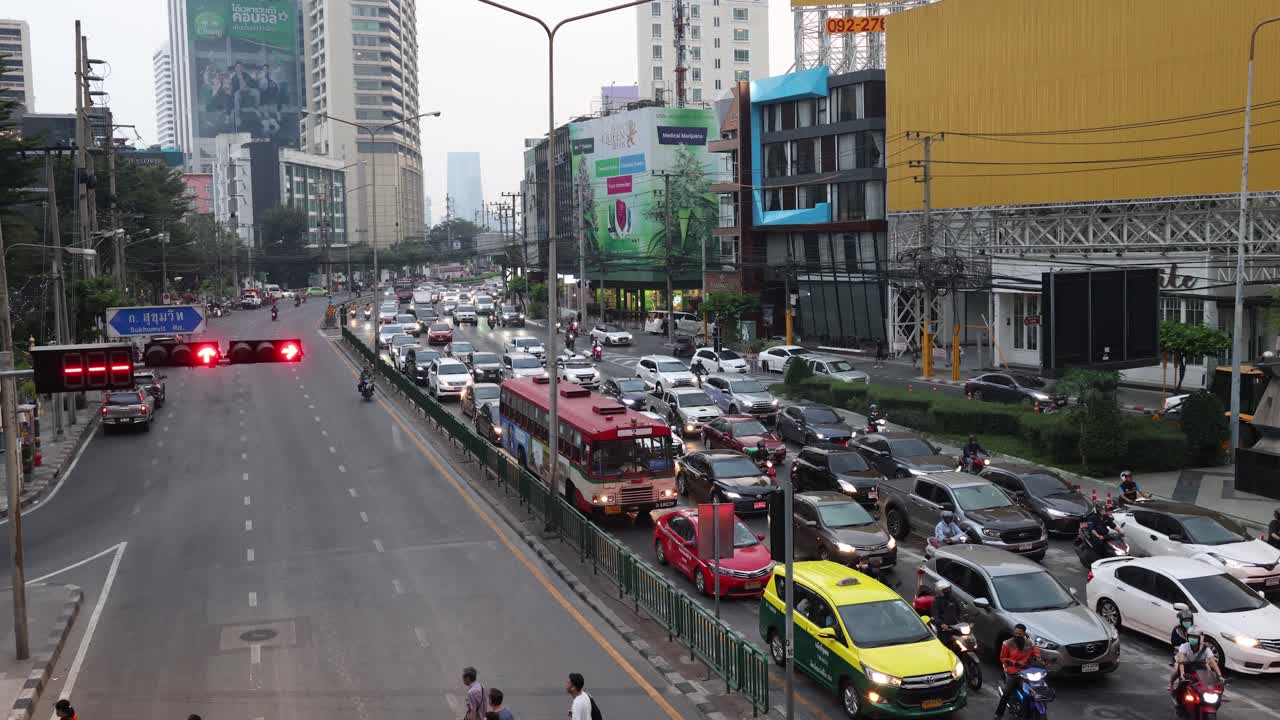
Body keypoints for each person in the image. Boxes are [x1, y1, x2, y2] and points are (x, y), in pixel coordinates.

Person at [995, 624, 1041, 720]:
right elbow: (1003, 658)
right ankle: (999, 714)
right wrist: (1016, 663)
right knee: (1006, 693)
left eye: (1020, 634)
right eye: (1015, 633)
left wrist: (1038, 656)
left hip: (1026, 672)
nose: (1017, 635)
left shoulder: (1029, 643)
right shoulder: (1007, 643)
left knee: (1031, 691)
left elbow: (1035, 650)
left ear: (1024, 634)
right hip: (1013, 672)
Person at [1172, 627, 1222, 695]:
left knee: (1208, 683)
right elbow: (1181, 662)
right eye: (1191, 636)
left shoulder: (1206, 649)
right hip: (1186, 666)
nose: (1192, 639)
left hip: (1199, 666)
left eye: (1195, 637)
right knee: (1178, 676)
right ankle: (1171, 684)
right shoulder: (1184, 646)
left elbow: (1213, 663)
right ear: (1187, 637)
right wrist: (1182, 674)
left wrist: (1219, 676)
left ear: (1200, 638)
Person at [1168, 605, 1196, 686]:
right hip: (1179, 654)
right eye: (1185, 620)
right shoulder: (1177, 630)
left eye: (1189, 620)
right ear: (1181, 621)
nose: (1187, 622)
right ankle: (1171, 683)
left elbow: (1200, 641)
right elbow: (1174, 644)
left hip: (1194, 654)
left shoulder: (1194, 630)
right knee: (1177, 669)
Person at [930, 581, 963, 646]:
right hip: (944, 628)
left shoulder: (952, 599)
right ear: (940, 591)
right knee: (945, 644)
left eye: (948, 589)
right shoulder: (936, 602)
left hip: (955, 626)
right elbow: (935, 616)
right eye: (946, 590)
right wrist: (942, 624)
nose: (948, 591)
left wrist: (963, 619)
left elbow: (958, 610)